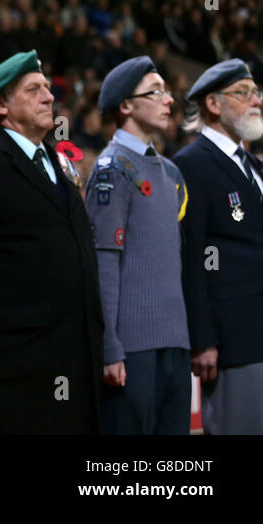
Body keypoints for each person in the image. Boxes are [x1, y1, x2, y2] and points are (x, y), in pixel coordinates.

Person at [0, 50, 103, 433]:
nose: (49, 96)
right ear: (0, 104)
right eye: (34, 90)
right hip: (12, 364)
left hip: (73, 356)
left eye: (47, 88)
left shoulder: (59, 162)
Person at [85, 56, 190, 434]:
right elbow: (104, 263)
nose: (169, 100)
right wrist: (110, 347)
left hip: (175, 343)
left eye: (167, 90)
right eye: (156, 91)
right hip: (133, 348)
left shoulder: (171, 173)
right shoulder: (112, 168)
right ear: (126, 106)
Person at [175, 58, 263, 434]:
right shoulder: (191, 164)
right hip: (232, 340)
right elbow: (190, 258)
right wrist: (203, 338)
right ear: (213, 104)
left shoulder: (252, 165)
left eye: (256, 93)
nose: (256, 101)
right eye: (243, 94)